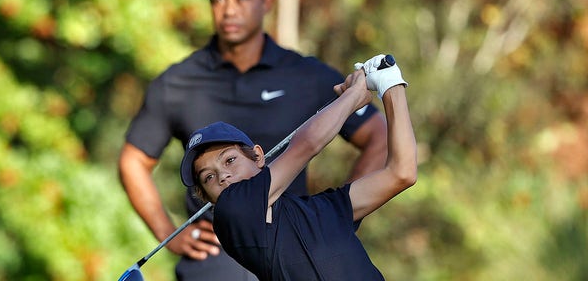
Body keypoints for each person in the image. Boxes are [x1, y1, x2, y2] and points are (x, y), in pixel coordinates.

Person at [118, 0, 388, 280]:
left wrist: (338, 218)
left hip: (292, 259)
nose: (229, 9)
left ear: (267, 3)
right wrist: (168, 231)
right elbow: (133, 160)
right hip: (213, 263)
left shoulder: (305, 74)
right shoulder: (177, 82)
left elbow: (377, 135)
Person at [179, 54, 417, 280]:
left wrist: (391, 84)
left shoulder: (322, 208)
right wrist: (354, 96)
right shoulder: (231, 212)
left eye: (229, 160)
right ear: (208, 198)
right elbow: (307, 144)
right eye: (208, 177)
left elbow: (402, 173)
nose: (223, 176)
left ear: (258, 156)